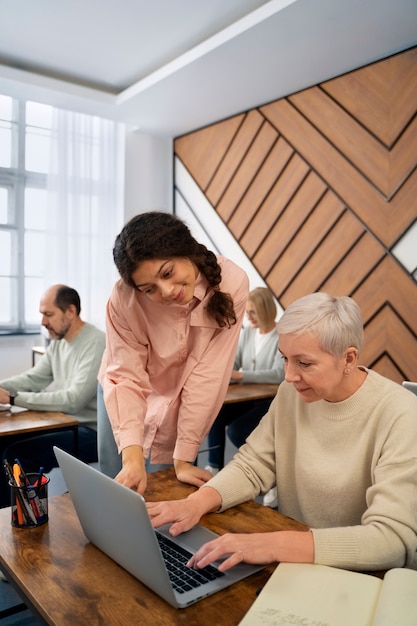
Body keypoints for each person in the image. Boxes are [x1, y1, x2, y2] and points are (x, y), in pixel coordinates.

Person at [146, 292, 417, 573]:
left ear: (348, 358)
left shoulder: (401, 413)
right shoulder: (292, 393)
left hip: (359, 574)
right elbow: (254, 464)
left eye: (304, 363)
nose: (288, 376)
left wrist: (273, 544)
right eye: (285, 358)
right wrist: (195, 503)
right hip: (297, 556)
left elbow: (392, 539)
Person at [97, 211, 248, 495]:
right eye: (149, 289)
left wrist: (183, 457)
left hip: (182, 397)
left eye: (167, 273)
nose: (166, 291)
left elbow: (208, 375)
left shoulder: (232, 284)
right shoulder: (124, 299)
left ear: (186, 249)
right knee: (118, 483)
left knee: (164, 493)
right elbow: (125, 376)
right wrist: (131, 458)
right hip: (123, 390)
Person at [0, 284, 105, 507]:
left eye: (48, 314)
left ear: (70, 311)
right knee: (3, 443)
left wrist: (11, 398)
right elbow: (33, 379)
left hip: (92, 432)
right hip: (66, 423)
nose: (43, 322)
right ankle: (8, 513)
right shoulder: (59, 342)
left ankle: (25, 519)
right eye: (41, 314)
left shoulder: (96, 343)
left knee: (16, 454)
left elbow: (74, 399)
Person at [205, 287, 284, 474]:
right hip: (247, 398)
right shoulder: (248, 332)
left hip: (270, 400)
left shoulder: (282, 335)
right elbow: (236, 362)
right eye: (246, 311)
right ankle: (214, 467)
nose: (248, 316)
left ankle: (270, 468)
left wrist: (241, 375)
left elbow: (278, 374)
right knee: (215, 412)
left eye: (252, 312)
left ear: (266, 310)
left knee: (236, 431)